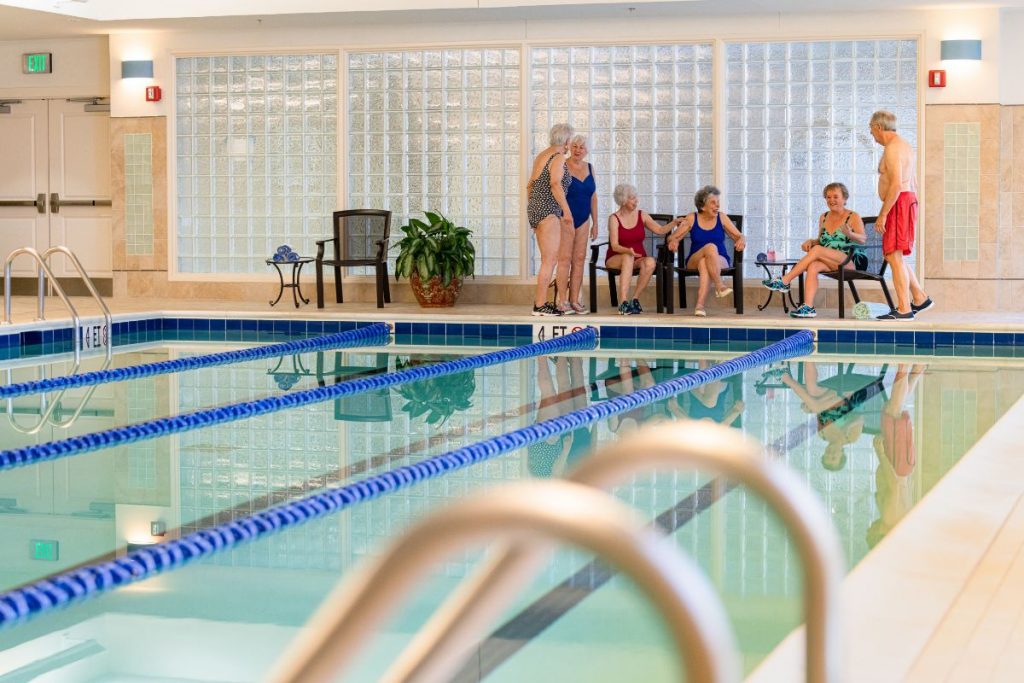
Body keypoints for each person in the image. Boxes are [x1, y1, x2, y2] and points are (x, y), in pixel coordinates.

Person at [762, 182, 867, 318]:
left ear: (844, 199)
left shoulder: (853, 216)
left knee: (817, 250)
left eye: (835, 197)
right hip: (832, 260)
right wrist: (812, 242)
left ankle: (785, 280)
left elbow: (863, 239)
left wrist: (851, 234)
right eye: (828, 197)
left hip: (851, 260)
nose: (831, 200)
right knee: (813, 265)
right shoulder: (824, 217)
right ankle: (808, 307)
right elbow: (822, 241)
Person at [870, 110, 933, 320]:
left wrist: (883, 215)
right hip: (906, 201)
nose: (872, 134)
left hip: (899, 202)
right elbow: (912, 180)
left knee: (894, 255)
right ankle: (919, 296)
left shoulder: (894, 149)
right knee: (893, 254)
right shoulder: (903, 146)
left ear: (879, 127)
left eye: (872, 130)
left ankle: (904, 308)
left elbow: (897, 184)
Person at [866, 363, 925, 547]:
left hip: (903, 466)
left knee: (895, 410)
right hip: (896, 465)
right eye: (870, 533)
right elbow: (894, 485)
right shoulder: (890, 519)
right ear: (877, 536)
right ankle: (903, 366)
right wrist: (880, 453)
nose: (869, 529)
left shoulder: (898, 523)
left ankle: (917, 368)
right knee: (892, 412)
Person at [667, 185, 745, 317]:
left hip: (720, 259)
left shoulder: (722, 217)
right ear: (702, 206)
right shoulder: (692, 218)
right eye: (713, 203)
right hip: (694, 259)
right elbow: (672, 237)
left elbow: (739, 235)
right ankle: (719, 285)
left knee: (705, 263)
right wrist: (674, 241)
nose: (717, 206)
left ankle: (700, 305)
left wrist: (741, 240)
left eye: (718, 202)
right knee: (710, 247)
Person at [606, 183, 682, 315]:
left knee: (650, 262)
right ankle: (623, 302)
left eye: (636, 197)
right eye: (632, 198)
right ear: (623, 200)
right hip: (616, 258)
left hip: (637, 257)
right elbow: (614, 245)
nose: (636, 201)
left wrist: (674, 223)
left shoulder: (642, 215)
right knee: (628, 256)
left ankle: (634, 300)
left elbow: (659, 230)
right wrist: (628, 251)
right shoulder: (614, 218)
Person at [527, 123, 574, 317]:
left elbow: (530, 186)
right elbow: (555, 184)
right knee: (550, 260)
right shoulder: (559, 157)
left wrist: (534, 211)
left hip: (538, 209)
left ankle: (541, 303)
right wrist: (567, 211)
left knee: (548, 258)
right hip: (548, 210)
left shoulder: (542, 155)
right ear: (567, 141)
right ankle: (540, 305)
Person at [528, 355, 594, 477]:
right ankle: (563, 355)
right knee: (565, 390)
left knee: (565, 389)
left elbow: (556, 472)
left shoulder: (554, 482)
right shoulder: (542, 476)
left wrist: (565, 450)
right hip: (555, 443)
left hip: (560, 442)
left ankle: (564, 352)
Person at [555, 134, 599, 315]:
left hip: (584, 220)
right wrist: (564, 214)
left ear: (587, 150)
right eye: (575, 146)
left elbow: (593, 197)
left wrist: (596, 223)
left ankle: (575, 300)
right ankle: (562, 301)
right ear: (570, 147)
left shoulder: (590, 167)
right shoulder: (562, 165)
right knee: (564, 260)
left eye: (581, 147)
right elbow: (554, 189)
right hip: (566, 218)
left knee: (579, 260)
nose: (578, 150)